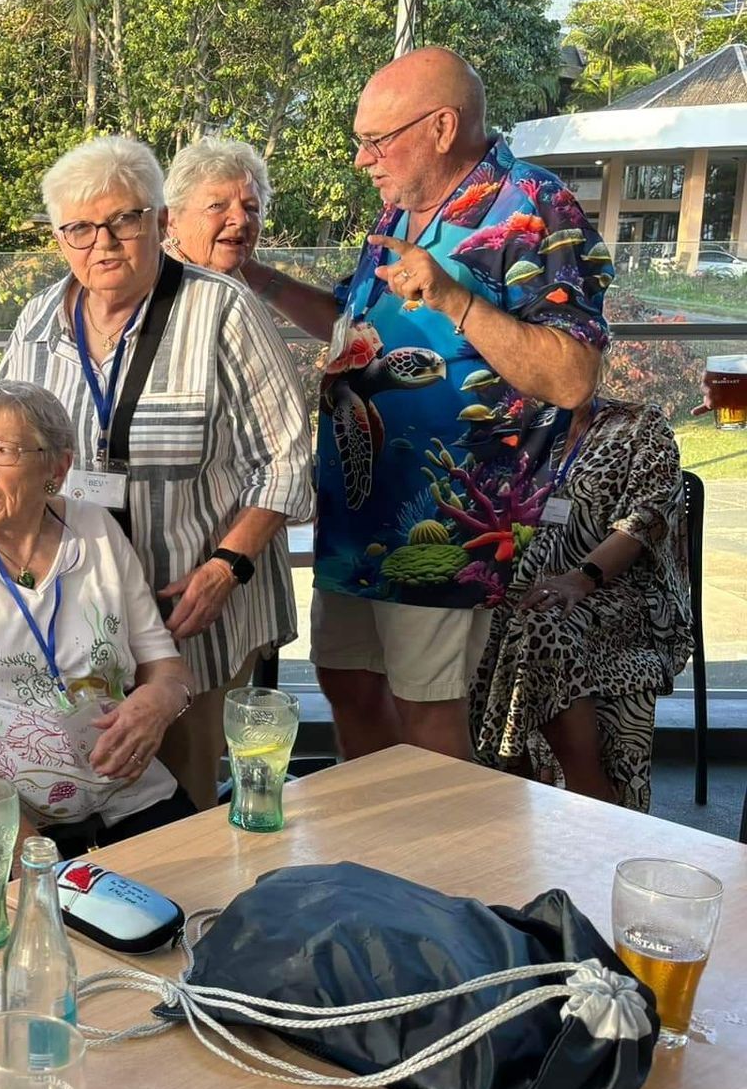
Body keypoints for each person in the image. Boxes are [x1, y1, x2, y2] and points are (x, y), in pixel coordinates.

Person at [233, 47, 610, 762]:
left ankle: (434, 839)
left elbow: (572, 377)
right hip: (357, 511)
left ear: (441, 127)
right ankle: (370, 829)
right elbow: (352, 324)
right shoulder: (401, 212)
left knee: (426, 711)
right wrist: (256, 276)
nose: (362, 160)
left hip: (443, 523)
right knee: (346, 681)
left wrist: (452, 295)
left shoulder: (532, 204)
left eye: (376, 140)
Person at [0, 136, 312, 810]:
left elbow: (286, 458)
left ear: (161, 221)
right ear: (59, 239)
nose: (104, 244)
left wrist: (228, 566)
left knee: (179, 791)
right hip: (75, 607)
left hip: (192, 605)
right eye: (81, 229)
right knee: (82, 777)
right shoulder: (39, 320)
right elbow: (6, 445)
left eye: (124, 220)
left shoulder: (221, 310)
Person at [0, 380, 197, 894]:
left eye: (2, 451)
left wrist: (160, 701)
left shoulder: (96, 531)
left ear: (57, 468)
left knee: (197, 903)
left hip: (120, 799)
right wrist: (27, 851)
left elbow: (166, 665)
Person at [471, 397, 692, 809]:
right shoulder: (532, 424)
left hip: (619, 590)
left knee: (540, 624)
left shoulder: (640, 423)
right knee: (479, 620)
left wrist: (582, 578)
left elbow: (646, 519)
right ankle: (508, 789)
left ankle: (589, 792)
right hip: (526, 585)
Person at [164, 137, 270, 274]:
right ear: (171, 220)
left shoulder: (242, 281)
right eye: (216, 206)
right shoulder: (154, 281)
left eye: (251, 208)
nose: (242, 220)